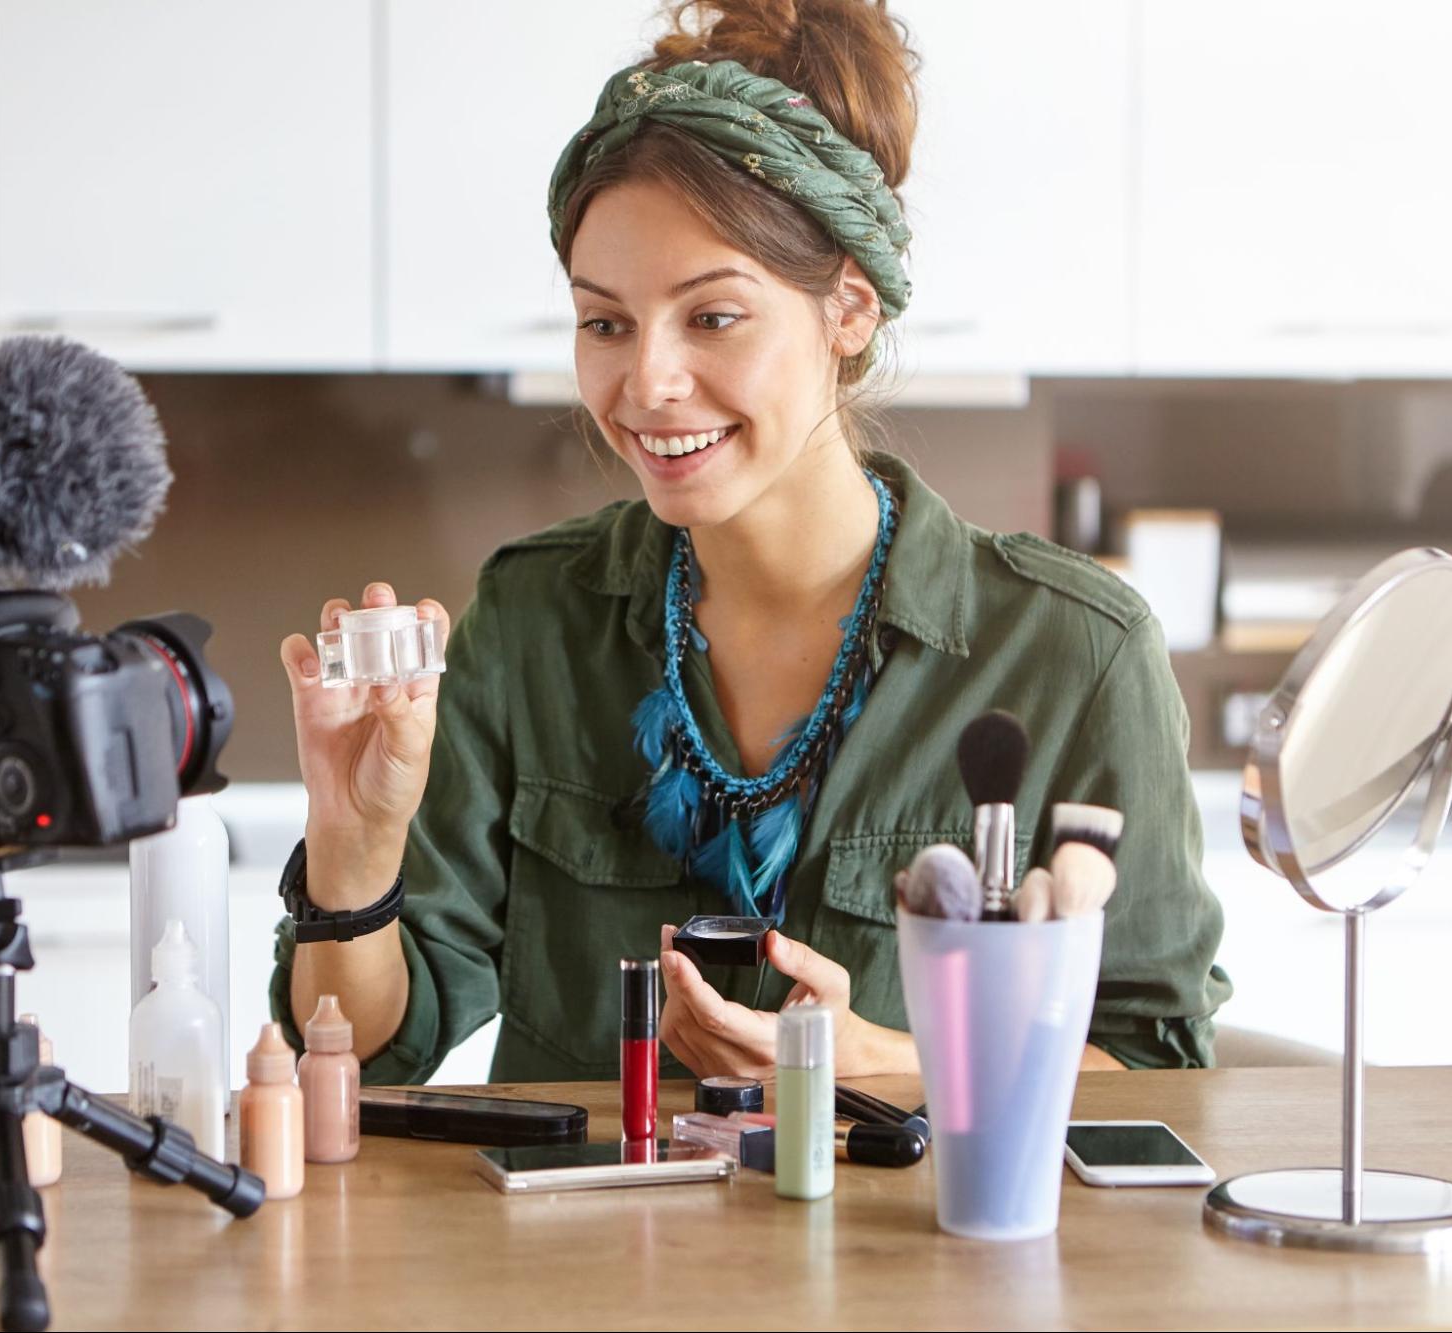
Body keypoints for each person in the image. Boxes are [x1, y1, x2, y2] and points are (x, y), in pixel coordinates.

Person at [271, 0, 1229, 1083]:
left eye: (712, 316)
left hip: (913, 1255)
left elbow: (1164, 1076)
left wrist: (875, 1060)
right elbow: (360, 1055)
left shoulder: (1072, 654)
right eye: (605, 321)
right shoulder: (535, 621)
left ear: (849, 310)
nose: (646, 383)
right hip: (580, 1255)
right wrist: (354, 844)